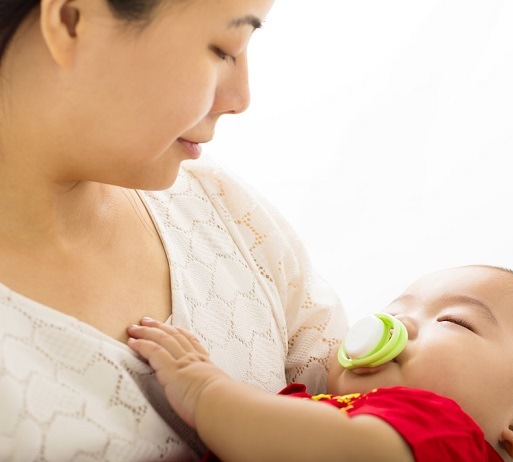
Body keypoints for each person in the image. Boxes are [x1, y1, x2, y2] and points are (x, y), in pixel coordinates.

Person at [0, 0, 348, 460]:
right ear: (71, 19)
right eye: (224, 48)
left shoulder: (220, 209)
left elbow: (379, 413)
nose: (241, 98)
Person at [128, 265, 513, 462]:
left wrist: (203, 387)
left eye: (455, 322)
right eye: (394, 312)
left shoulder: (445, 432)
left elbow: (338, 447)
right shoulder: (318, 404)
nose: (398, 326)